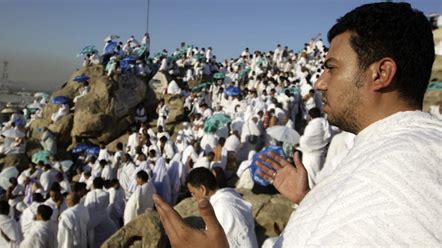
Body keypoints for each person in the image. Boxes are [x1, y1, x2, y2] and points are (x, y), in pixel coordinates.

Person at [152, 2, 441, 247]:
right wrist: (311, 200)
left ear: (381, 73)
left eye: (331, 68)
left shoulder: (394, 176)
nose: (319, 82)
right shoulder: (406, 152)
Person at [184, 167, 258, 247]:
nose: (194, 198)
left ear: (202, 189)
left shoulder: (221, 208)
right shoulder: (229, 196)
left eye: (193, 193)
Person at [298, 107, 332, 188]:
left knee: (311, 176)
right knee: (318, 173)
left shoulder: (312, 126)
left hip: (310, 154)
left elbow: (305, 141)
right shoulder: (325, 123)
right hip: (320, 153)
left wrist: (299, 143)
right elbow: (328, 137)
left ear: (310, 116)